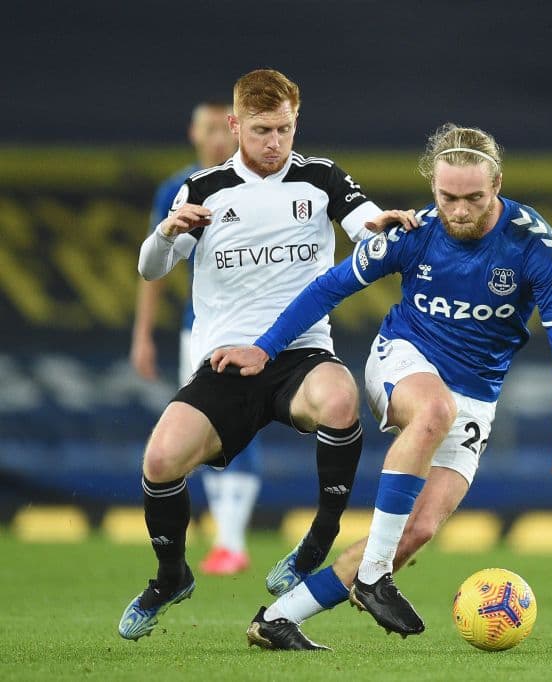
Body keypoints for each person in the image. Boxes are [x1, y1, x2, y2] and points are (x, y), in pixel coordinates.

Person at [211, 123, 552, 649]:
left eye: (473, 198)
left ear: (498, 184)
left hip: (476, 397)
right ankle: (373, 578)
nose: (459, 211)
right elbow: (331, 286)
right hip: (403, 359)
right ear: (433, 188)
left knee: (412, 532)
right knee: (433, 409)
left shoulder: (533, 245)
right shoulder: (414, 232)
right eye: (447, 197)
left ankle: (279, 618)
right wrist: (266, 346)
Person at [118, 68, 418, 641]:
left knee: (339, 398)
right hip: (227, 364)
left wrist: (382, 224)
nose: (274, 142)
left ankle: (316, 542)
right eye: (260, 130)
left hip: (299, 352)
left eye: (283, 128)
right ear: (235, 126)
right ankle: (170, 577)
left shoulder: (321, 177)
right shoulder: (203, 190)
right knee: (159, 463)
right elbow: (151, 269)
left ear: (295, 121)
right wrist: (164, 234)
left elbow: (365, 222)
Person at [130, 100, 262, 577]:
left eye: (221, 129)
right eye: (206, 129)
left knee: (245, 421)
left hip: (257, 327)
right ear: (193, 132)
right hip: (200, 328)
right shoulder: (179, 188)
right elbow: (155, 268)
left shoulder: (261, 183)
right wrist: (142, 335)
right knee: (206, 426)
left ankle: (231, 538)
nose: (216, 139)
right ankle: (227, 539)